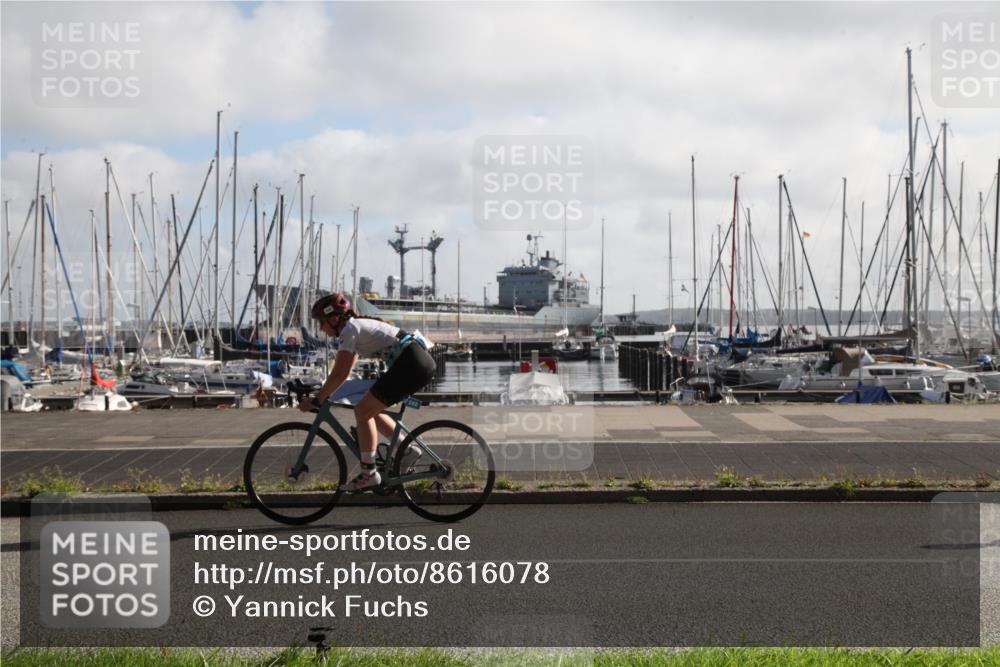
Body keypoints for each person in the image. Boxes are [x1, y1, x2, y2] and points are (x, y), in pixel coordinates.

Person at [299, 292, 437, 491]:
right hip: (414, 363)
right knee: (368, 405)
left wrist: (317, 399)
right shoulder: (354, 328)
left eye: (321, 322)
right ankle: (405, 449)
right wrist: (322, 393)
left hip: (412, 365)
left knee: (362, 411)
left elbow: (340, 374)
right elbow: (343, 374)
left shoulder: (350, 329)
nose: (320, 328)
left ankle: (369, 473)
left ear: (334, 318)